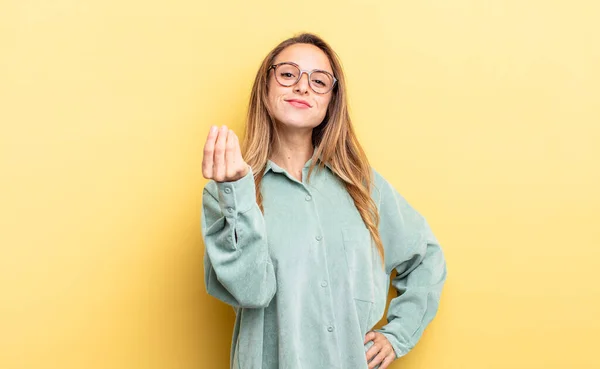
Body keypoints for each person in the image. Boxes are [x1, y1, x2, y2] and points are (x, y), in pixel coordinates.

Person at [200, 33, 447, 369]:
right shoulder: (227, 193)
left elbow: (426, 257)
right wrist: (234, 191)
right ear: (265, 87)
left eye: (319, 81)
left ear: (332, 100)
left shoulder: (361, 185)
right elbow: (251, 292)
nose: (303, 87)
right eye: (288, 74)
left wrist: (398, 334)